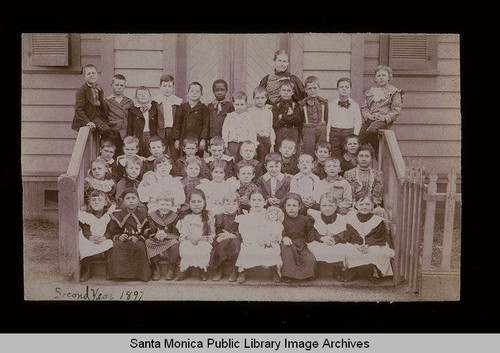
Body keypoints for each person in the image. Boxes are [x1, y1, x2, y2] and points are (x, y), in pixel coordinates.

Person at [342, 191, 395, 283]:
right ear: (356, 205)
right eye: (361, 204)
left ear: (372, 205)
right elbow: (350, 234)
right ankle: (354, 270)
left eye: (367, 204)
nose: (364, 207)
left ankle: (371, 271)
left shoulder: (378, 221)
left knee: (375, 251)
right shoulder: (351, 219)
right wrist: (357, 244)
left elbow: (379, 236)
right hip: (356, 243)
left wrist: (367, 244)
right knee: (349, 249)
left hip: (373, 243)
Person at [235, 191, 283, 283]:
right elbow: (244, 232)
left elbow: (273, 229)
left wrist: (267, 240)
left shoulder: (269, 216)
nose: (256, 202)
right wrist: (251, 241)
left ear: (265, 202)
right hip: (252, 241)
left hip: (265, 241)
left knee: (272, 250)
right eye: (253, 200)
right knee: (246, 249)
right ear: (249, 202)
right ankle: (243, 270)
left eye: (259, 200)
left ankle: (274, 270)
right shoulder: (246, 216)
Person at [106, 188, 151, 281]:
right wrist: (119, 236)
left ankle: (140, 275)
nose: (131, 200)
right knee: (117, 245)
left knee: (140, 245)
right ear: (124, 201)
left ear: (138, 201)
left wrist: (138, 237)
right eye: (128, 198)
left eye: (133, 198)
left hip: (137, 241)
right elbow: (112, 232)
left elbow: (147, 231)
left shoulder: (143, 215)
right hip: (122, 241)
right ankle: (118, 274)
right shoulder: (117, 215)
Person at [359, 66, 403, 154]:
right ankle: (376, 154)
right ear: (375, 78)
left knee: (370, 132)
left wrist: (384, 117)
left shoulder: (394, 91)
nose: (381, 77)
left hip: (383, 120)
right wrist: (369, 115)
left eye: (384, 75)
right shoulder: (371, 92)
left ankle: (377, 154)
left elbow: (396, 110)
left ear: (389, 77)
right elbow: (364, 107)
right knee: (359, 136)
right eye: (378, 76)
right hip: (370, 119)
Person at [307, 192, 348, 281]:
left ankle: (337, 270)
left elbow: (344, 234)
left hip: (334, 242)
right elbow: (310, 232)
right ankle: (315, 269)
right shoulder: (315, 217)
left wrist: (335, 240)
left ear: (336, 206)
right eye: (324, 205)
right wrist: (321, 238)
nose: (327, 208)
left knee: (341, 248)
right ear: (320, 206)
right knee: (312, 246)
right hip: (319, 241)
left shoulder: (341, 218)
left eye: (331, 205)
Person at [176, 189, 215, 281]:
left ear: (204, 202)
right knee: (185, 245)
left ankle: (202, 269)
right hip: (189, 240)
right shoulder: (185, 217)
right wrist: (189, 237)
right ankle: (185, 269)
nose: (196, 204)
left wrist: (202, 238)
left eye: (199, 201)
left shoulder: (209, 217)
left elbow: (212, 234)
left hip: (203, 240)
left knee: (204, 246)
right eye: (193, 201)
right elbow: (183, 233)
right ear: (188, 203)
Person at [78, 190, 115, 282]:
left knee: (111, 244)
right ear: (89, 203)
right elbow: (85, 230)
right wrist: (90, 237)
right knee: (83, 244)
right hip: (90, 239)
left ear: (105, 202)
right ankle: (87, 269)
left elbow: (110, 230)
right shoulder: (87, 216)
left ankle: (111, 270)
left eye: (99, 200)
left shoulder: (108, 216)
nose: (96, 202)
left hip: (104, 239)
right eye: (93, 200)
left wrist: (105, 237)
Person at [280, 192, 317, 282]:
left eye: (294, 205)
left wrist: (310, 239)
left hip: (301, 243)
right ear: (284, 206)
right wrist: (283, 237)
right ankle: (288, 275)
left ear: (299, 207)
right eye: (289, 205)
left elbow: (310, 232)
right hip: (287, 243)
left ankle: (307, 274)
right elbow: (277, 231)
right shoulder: (281, 218)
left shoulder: (304, 219)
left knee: (309, 259)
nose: (291, 208)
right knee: (288, 254)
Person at [144, 192, 180, 281]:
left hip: (169, 239)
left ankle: (171, 268)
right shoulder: (152, 215)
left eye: (168, 204)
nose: (164, 207)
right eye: (162, 204)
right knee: (148, 242)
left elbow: (177, 233)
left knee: (175, 244)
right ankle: (155, 267)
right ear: (157, 204)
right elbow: (149, 231)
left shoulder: (175, 217)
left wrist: (166, 235)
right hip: (156, 239)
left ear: (172, 206)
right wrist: (155, 235)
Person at [71, 64, 112, 140]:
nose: (91, 75)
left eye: (93, 73)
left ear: (97, 75)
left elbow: (100, 105)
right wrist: (87, 122)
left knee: (112, 131)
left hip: (99, 115)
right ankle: (101, 150)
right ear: (84, 77)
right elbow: (78, 109)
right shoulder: (82, 91)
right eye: (88, 74)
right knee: (107, 131)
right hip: (90, 116)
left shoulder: (99, 89)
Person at [343, 144, 385, 217]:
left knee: (381, 212)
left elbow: (377, 196)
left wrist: (368, 206)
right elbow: (349, 194)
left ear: (372, 158)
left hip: (371, 207)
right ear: (357, 157)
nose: (364, 159)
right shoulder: (348, 174)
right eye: (361, 156)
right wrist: (357, 207)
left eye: (367, 156)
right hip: (354, 207)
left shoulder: (378, 174)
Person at [209, 192, 242, 282]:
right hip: (223, 238)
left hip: (235, 238)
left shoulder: (241, 217)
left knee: (235, 244)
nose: (231, 206)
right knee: (219, 245)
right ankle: (219, 268)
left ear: (238, 205)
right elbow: (217, 230)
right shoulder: (219, 217)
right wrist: (218, 237)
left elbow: (243, 231)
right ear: (223, 204)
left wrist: (233, 235)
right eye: (227, 204)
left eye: (234, 204)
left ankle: (234, 270)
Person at [326, 77, 362, 158]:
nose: (344, 89)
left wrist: (354, 136)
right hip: (334, 133)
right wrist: (327, 138)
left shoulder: (354, 105)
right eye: (341, 87)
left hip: (349, 133)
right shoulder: (332, 104)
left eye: (347, 87)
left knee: (348, 156)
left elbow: (358, 122)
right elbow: (328, 121)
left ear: (350, 90)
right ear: (337, 89)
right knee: (335, 156)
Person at [173, 82, 209, 158]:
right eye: (192, 91)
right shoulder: (182, 107)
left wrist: (203, 139)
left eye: (197, 91)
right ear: (188, 93)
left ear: (201, 94)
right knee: (184, 158)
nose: (194, 93)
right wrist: (177, 139)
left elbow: (206, 125)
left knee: (197, 158)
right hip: (184, 139)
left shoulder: (204, 108)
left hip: (197, 139)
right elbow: (177, 124)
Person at [152, 74, 183, 160]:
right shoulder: (155, 101)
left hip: (173, 131)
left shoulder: (178, 102)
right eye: (164, 86)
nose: (167, 88)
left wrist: (177, 135)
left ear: (173, 87)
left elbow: (180, 119)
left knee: (174, 152)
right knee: (160, 152)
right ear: (160, 87)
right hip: (160, 131)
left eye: (169, 86)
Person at [221, 91, 258, 163]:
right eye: (237, 104)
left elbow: (252, 133)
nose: (239, 107)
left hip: (245, 144)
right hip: (232, 144)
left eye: (242, 104)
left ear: (246, 104)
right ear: (233, 104)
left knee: (244, 162)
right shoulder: (229, 117)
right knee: (232, 161)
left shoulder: (248, 117)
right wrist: (225, 146)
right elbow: (225, 132)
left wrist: (253, 147)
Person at [299, 76, 329, 157]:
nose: (312, 90)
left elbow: (326, 118)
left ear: (319, 88)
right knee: (308, 152)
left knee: (321, 151)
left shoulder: (323, 103)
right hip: (308, 131)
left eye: (315, 88)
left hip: (321, 129)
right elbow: (301, 120)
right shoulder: (302, 104)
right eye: (309, 88)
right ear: (305, 90)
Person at [105, 73, 134, 156]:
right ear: (112, 85)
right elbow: (104, 118)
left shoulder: (129, 101)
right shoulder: (107, 101)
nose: (119, 87)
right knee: (111, 155)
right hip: (112, 133)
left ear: (125, 86)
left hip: (125, 134)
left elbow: (132, 119)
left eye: (121, 85)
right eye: (116, 85)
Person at [127, 86, 159, 157]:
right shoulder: (133, 110)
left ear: (150, 97)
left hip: (151, 134)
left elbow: (157, 124)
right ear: (135, 97)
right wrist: (130, 138)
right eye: (140, 94)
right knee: (139, 154)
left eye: (145, 94)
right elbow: (130, 126)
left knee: (151, 153)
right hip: (138, 135)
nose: (143, 95)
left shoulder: (154, 109)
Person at [272, 79, 303, 149]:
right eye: (284, 90)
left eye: (288, 90)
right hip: (280, 133)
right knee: (280, 152)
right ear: (279, 91)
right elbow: (275, 124)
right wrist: (290, 117)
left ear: (292, 92)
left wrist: (282, 117)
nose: (286, 92)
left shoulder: (296, 106)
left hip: (293, 133)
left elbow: (297, 120)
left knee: (293, 153)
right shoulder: (276, 106)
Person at [247, 86, 275, 162]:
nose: (260, 100)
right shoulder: (250, 112)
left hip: (266, 139)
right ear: (253, 98)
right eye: (257, 98)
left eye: (262, 98)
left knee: (265, 160)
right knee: (254, 160)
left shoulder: (268, 111)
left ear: (266, 98)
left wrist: (272, 144)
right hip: (254, 139)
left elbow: (270, 128)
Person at [208, 79, 234, 148]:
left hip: (225, 137)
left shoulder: (230, 105)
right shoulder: (210, 106)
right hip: (212, 137)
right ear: (213, 91)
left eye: (222, 90)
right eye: (217, 90)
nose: (219, 92)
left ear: (226, 91)